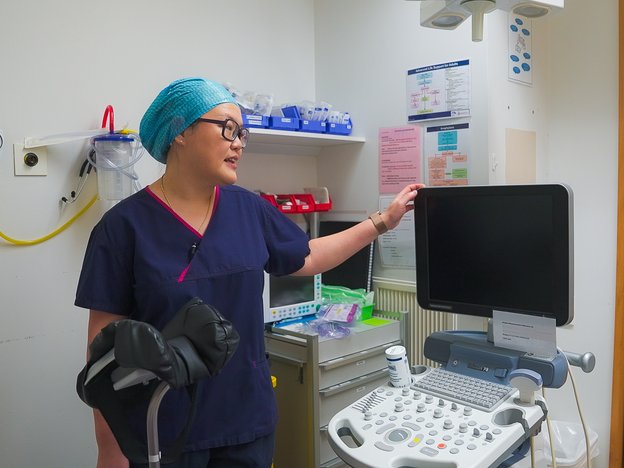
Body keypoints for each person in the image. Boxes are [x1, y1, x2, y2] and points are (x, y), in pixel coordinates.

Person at [75, 77, 424, 468]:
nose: (239, 142)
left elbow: (307, 256)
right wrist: (110, 447)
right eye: (227, 128)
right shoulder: (122, 228)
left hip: (246, 425)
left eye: (242, 133)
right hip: (162, 430)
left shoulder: (248, 209)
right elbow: (102, 354)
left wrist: (381, 222)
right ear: (179, 132)